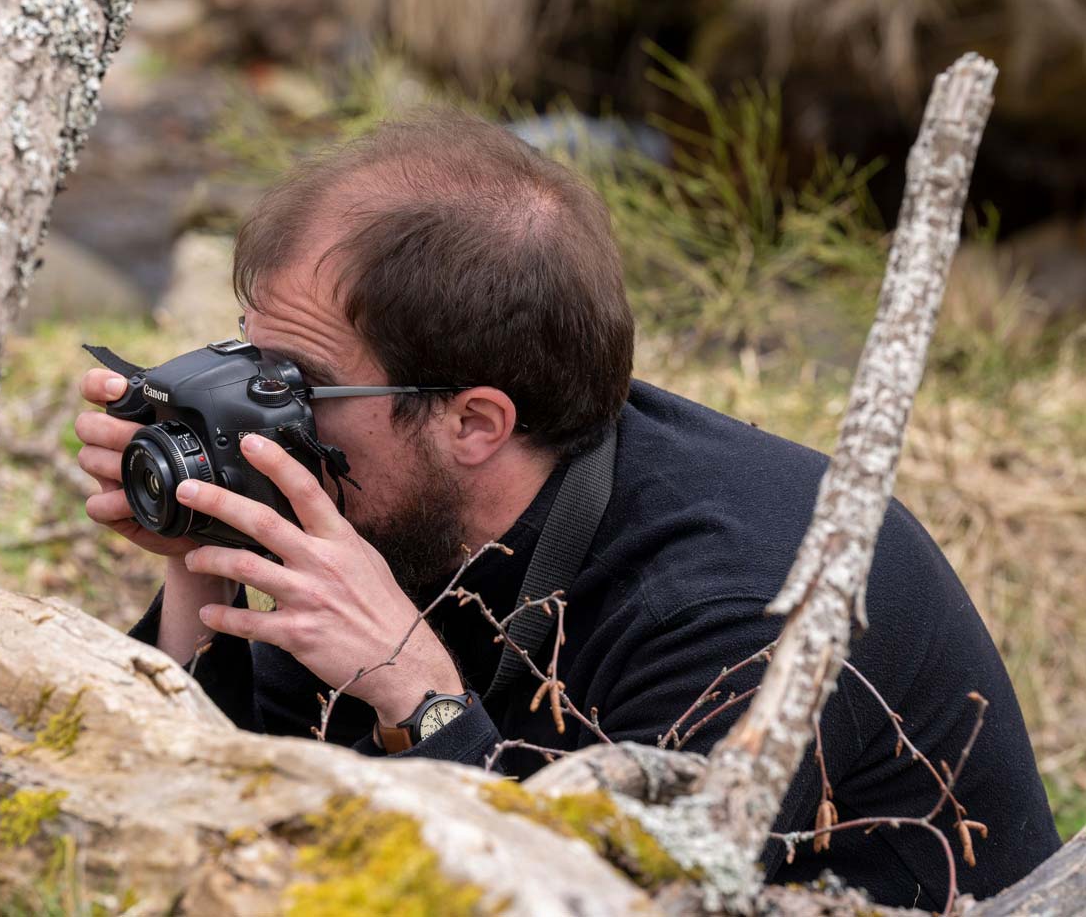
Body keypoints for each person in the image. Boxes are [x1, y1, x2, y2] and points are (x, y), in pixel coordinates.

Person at [73, 110, 1060, 907]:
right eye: (249, 358)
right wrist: (199, 552)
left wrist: (423, 699)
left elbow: (610, 894)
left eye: (296, 383)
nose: (255, 411)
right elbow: (235, 796)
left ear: (473, 421)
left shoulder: (734, 605)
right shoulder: (381, 497)